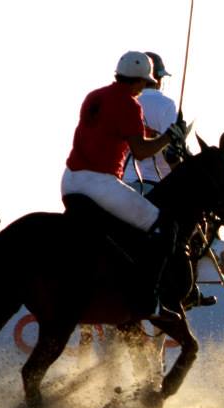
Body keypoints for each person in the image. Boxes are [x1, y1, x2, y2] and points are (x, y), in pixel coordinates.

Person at [61, 51, 187, 320]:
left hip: (70, 181)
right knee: (166, 228)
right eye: (145, 82)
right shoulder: (130, 105)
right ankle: (147, 299)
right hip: (101, 183)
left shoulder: (94, 96)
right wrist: (168, 137)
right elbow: (141, 151)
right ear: (141, 81)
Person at [122, 52, 179, 195]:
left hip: (122, 185)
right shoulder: (167, 105)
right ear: (158, 79)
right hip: (155, 186)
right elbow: (172, 151)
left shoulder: (124, 102)